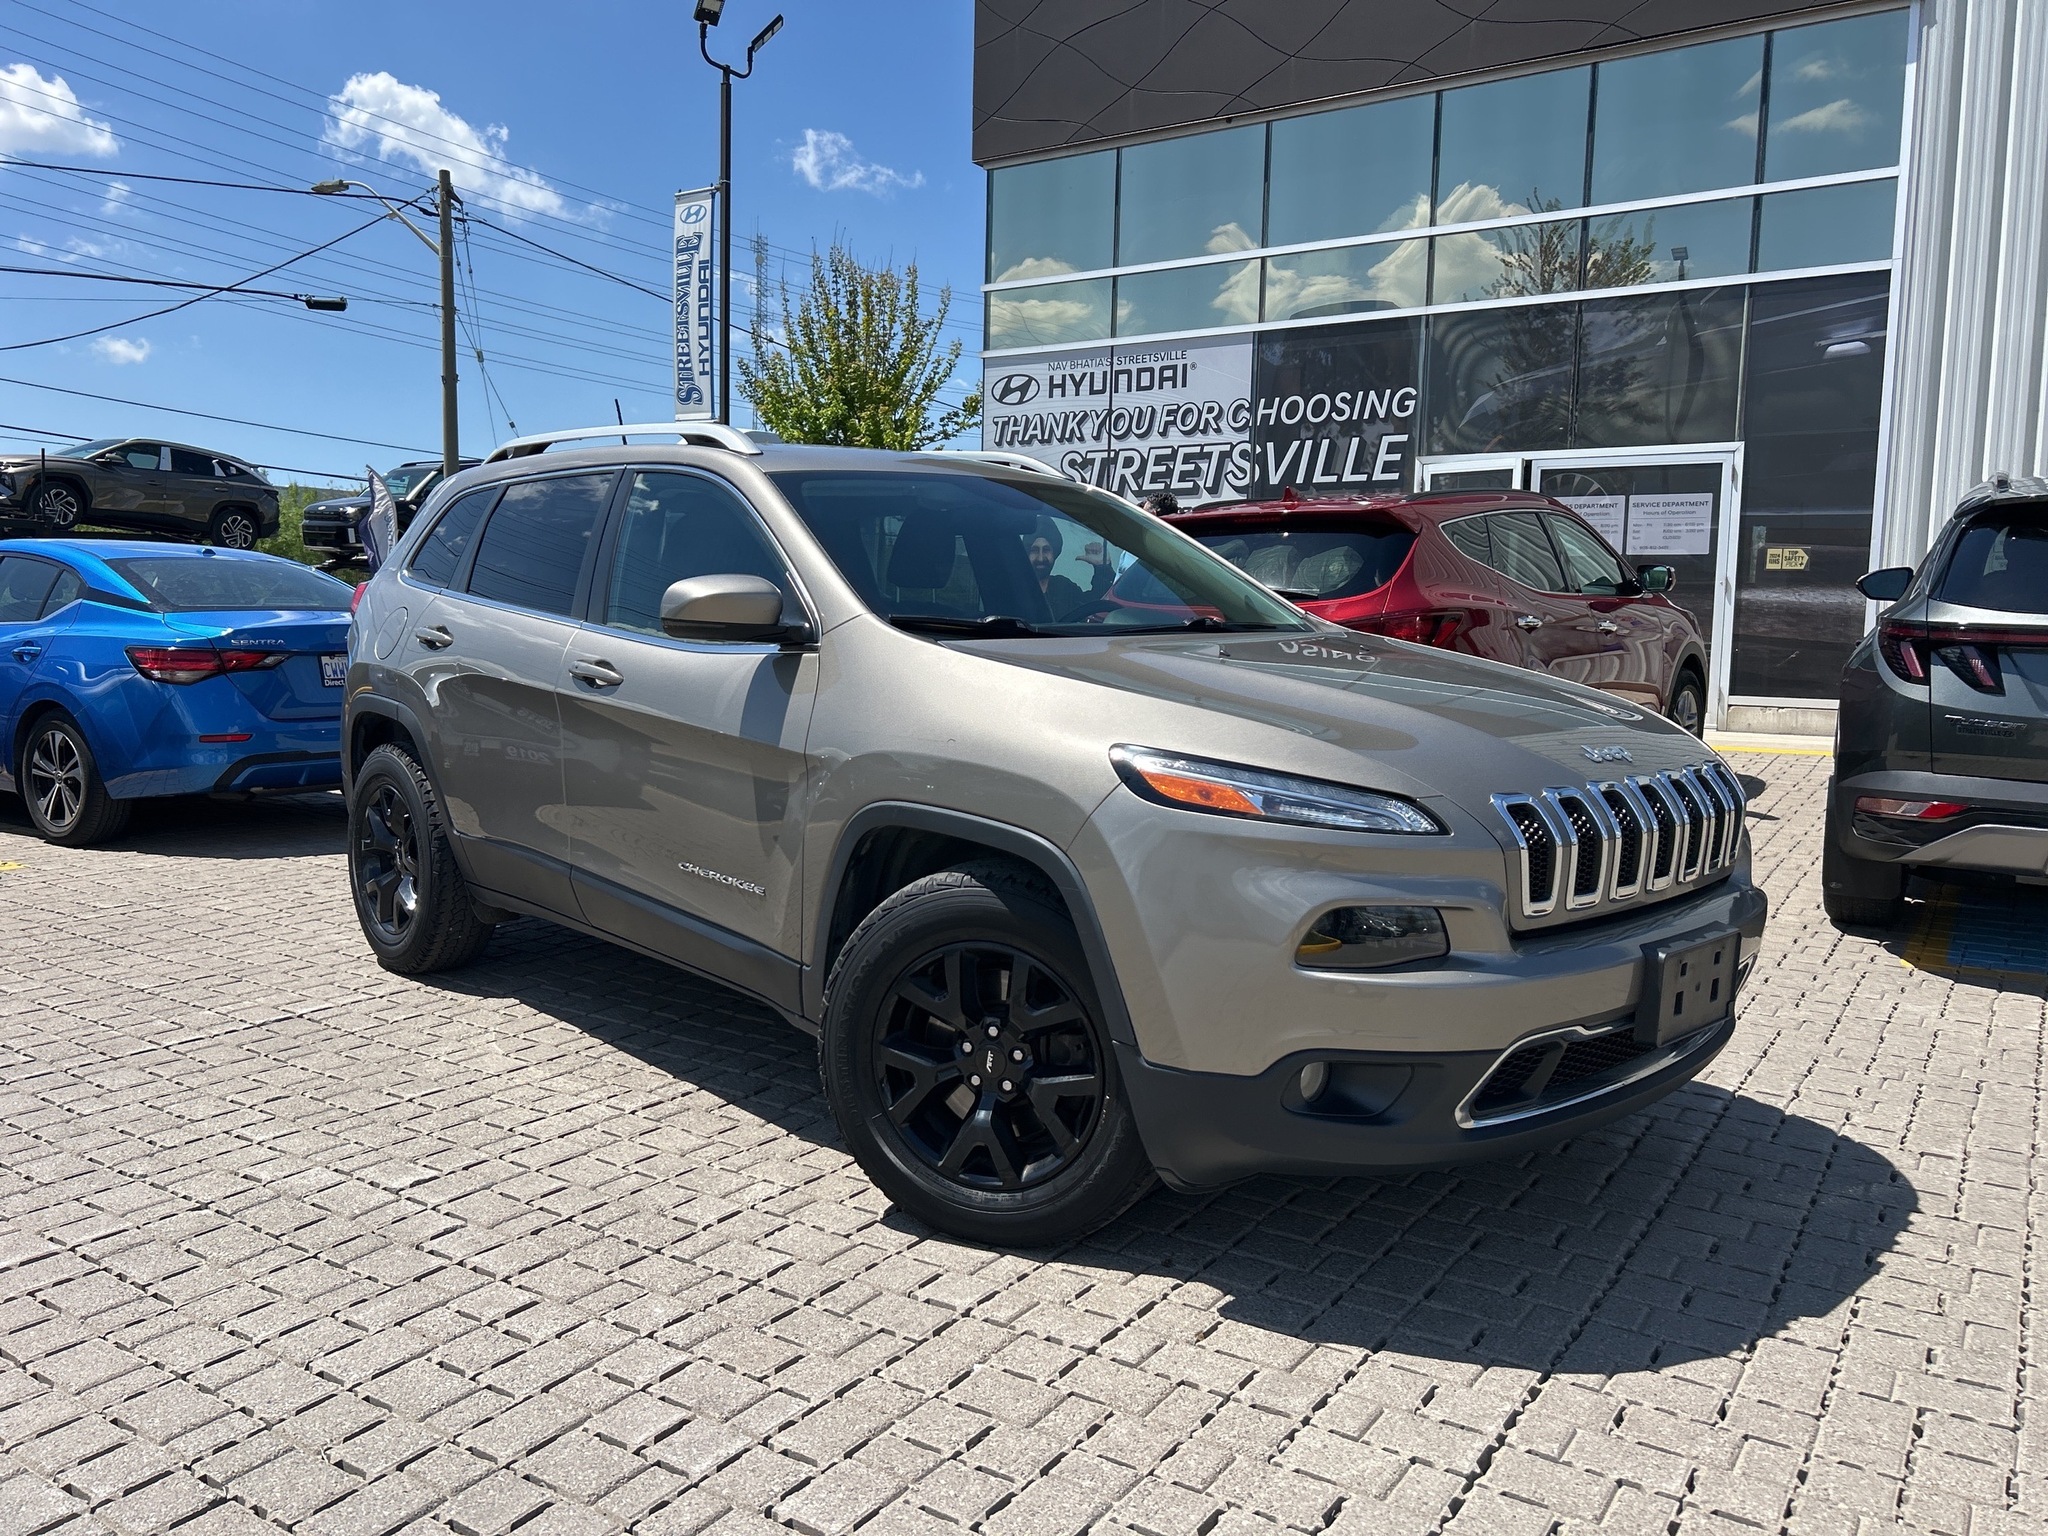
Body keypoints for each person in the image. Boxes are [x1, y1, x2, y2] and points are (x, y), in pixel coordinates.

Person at [1025, 517, 1113, 619]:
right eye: (1034, 550)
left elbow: (1096, 605)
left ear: (1054, 553)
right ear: (1026, 553)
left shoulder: (1064, 588)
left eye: (1046, 550)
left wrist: (1102, 567)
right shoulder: (1013, 590)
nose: (1040, 558)